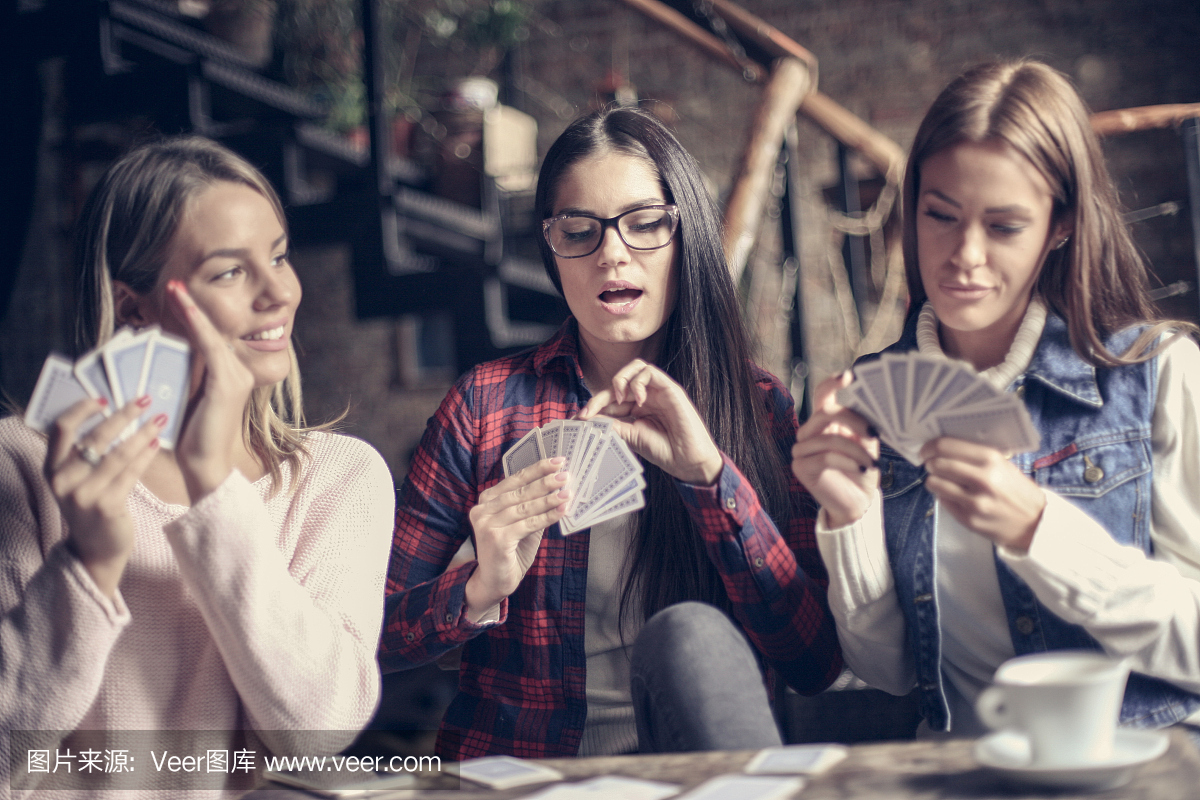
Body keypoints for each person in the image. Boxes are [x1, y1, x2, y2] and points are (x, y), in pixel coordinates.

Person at [381, 106, 842, 760]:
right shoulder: (483, 406)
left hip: (697, 771)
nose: (613, 253)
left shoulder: (758, 405)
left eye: (646, 223)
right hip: (528, 774)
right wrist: (479, 588)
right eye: (579, 231)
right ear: (552, 250)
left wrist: (710, 478)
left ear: (687, 236)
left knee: (690, 635)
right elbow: (375, 635)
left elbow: (813, 660)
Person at [792, 59, 1200, 737]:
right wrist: (851, 518)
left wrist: (1041, 532)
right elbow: (890, 672)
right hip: (962, 768)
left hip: (1135, 764)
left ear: (1060, 224)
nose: (964, 255)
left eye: (1005, 226)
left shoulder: (1158, 373)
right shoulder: (873, 395)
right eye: (941, 215)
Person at [0, 137, 395, 794]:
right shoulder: (19, 467)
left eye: (278, 256)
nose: (279, 293)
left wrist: (215, 486)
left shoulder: (339, 478)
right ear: (134, 308)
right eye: (229, 271)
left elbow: (317, 731)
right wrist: (89, 565)